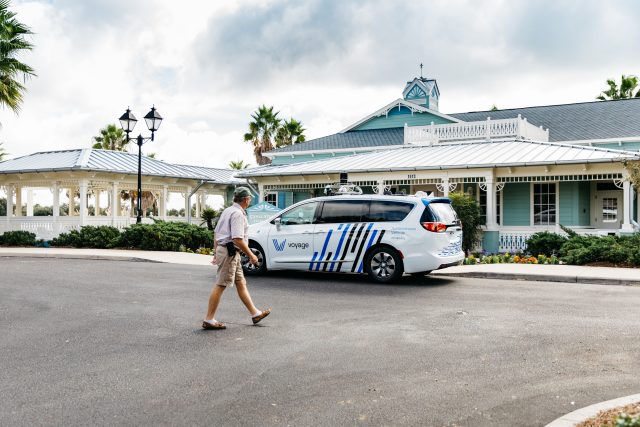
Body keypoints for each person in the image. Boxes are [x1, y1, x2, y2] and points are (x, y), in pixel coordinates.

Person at [202, 187, 271, 330]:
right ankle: (209, 319)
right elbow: (237, 239)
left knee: (241, 283)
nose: (250, 200)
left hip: (229, 252)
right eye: (250, 198)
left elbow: (216, 233)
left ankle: (255, 313)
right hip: (230, 252)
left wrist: (216, 252)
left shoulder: (227, 211)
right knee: (221, 284)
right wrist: (252, 255)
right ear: (246, 199)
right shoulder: (238, 214)